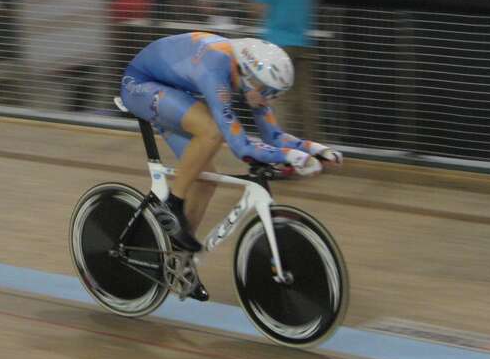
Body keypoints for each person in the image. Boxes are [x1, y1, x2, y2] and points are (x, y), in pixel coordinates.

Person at [120, 32, 343, 297]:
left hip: (171, 89)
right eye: (268, 92)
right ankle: (171, 207)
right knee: (212, 132)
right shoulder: (217, 68)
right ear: (251, 77)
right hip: (141, 85)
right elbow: (242, 148)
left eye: (276, 95)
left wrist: (315, 149)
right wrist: (291, 158)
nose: (269, 100)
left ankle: (178, 262)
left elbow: (274, 136)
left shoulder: (249, 79)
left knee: (206, 179)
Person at [238, 0, 323, 140]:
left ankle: (285, 157)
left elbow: (259, 10)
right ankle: (317, 152)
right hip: (304, 41)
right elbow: (313, 0)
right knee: (307, 102)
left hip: (277, 44)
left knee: (278, 102)